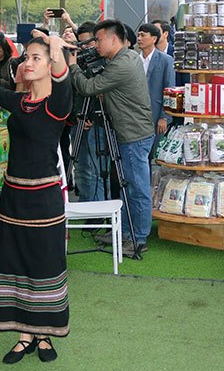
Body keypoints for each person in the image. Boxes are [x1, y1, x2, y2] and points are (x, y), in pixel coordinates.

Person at [0, 33, 73, 364]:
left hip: (44, 198)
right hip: (12, 197)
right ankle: (24, 335)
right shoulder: (20, 101)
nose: (27, 63)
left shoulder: (57, 105)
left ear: (50, 64)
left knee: (43, 263)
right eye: (26, 58)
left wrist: (55, 48)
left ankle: (44, 335)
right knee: (14, 262)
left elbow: (64, 80)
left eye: (35, 58)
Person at [69, 20, 153, 257]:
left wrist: (73, 66)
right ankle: (124, 232)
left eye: (99, 39)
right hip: (130, 133)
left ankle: (138, 238)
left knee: (137, 188)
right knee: (127, 186)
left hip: (134, 135)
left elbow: (88, 87)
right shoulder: (124, 58)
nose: (96, 44)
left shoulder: (121, 65)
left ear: (114, 39)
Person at [70, 22, 108, 203]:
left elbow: (95, 91)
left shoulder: (106, 64)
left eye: (89, 42)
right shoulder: (78, 64)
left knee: (97, 168)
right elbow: (75, 92)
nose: (85, 48)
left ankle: (98, 206)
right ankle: (84, 202)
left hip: (99, 122)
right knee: (80, 164)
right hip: (78, 120)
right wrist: (79, 114)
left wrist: (92, 116)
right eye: (81, 44)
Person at [137, 23, 174, 155]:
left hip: (157, 115)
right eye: (138, 35)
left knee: (156, 155)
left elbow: (169, 89)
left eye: (143, 35)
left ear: (153, 39)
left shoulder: (166, 60)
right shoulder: (134, 60)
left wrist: (164, 117)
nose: (139, 38)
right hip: (137, 117)